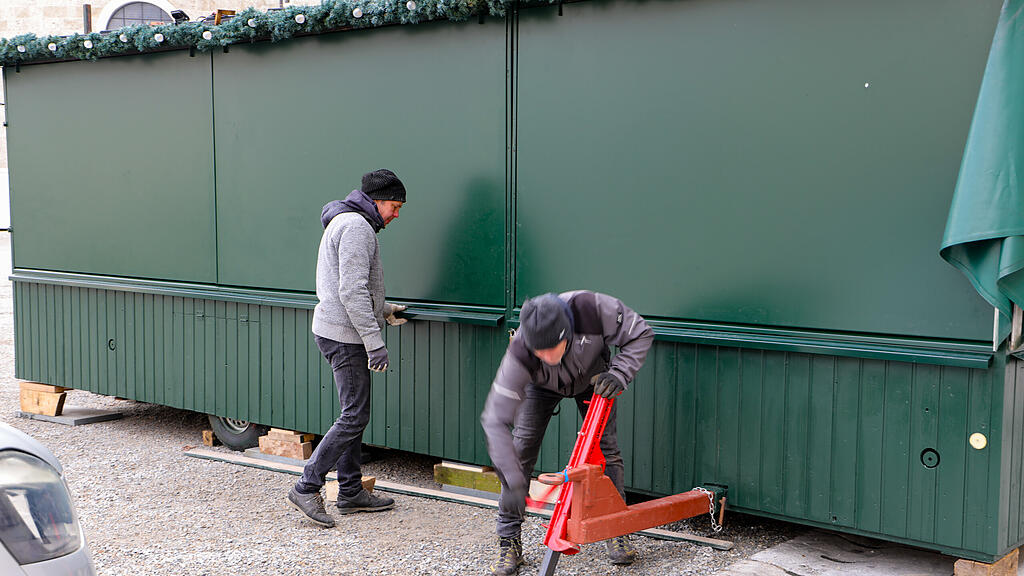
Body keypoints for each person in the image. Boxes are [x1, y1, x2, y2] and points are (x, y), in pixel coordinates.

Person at [480, 291, 655, 575]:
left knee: (606, 450)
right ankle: (508, 541)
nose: (548, 357)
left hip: (594, 378)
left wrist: (619, 373)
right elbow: (494, 420)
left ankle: (617, 530)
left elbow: (641, 334)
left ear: (568, 333)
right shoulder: (522, 351)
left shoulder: (593, 309)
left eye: (553, 347)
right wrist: (512, 480)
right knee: (520, 450)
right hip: (539, 387)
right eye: (540, 351)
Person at [286, 169, 409, 528]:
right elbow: (351, 291)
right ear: (375, 201)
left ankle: (351, 490)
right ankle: (307, 486)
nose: (396, 214)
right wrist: (375, 342)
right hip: (346, 335)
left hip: (337, 327)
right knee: (355, 416)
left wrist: (383, 310)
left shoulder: (345, 221)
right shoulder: (357, 228)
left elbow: (347, 287)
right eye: (393, 206)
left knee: (353, 414)